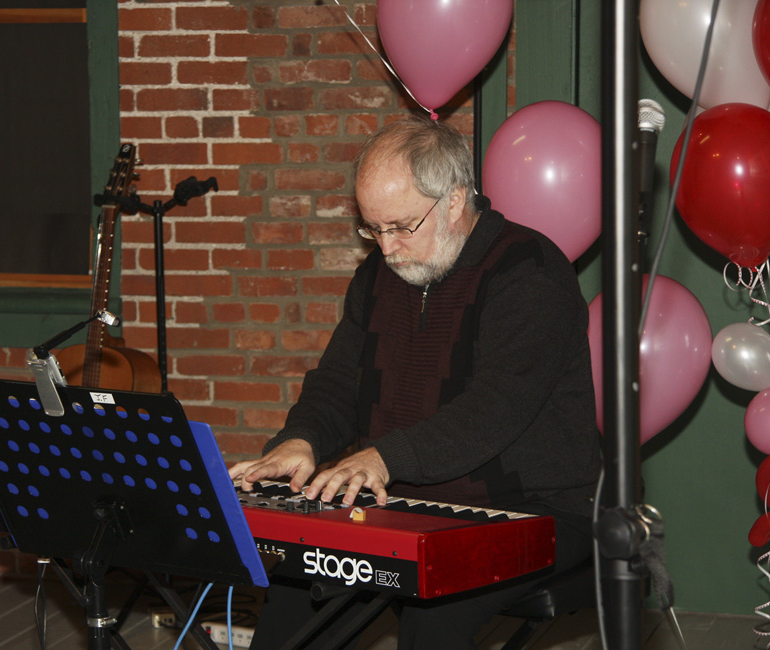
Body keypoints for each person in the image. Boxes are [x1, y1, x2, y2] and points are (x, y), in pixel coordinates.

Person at [228, 114, 601, 649]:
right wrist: (301, 440)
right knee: (295, 590)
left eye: (401, 226)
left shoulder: (529, 271)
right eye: (372, 229)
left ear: (454, 200)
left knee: (434, 610)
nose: (386, 248)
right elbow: (339, 380)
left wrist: (384, 458)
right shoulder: (379, 276)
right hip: (403, 502)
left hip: (533, 507)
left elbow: (494, 409)